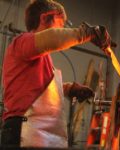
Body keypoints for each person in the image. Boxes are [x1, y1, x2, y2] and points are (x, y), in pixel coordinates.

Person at [1, 0, 111, 148]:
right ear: (45, 18)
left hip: (37, 132)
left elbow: (38, 89)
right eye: (60, 25)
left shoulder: (41, 56)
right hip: (22, 130)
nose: (62, 30)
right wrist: (86, 33)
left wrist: (69, 88)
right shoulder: (22, 42)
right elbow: (52, 37)